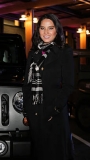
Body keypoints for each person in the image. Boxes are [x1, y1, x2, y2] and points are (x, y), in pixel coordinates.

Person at [22, 14, 75, 160]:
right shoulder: (33, 53)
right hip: (36, 113)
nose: (46, 32)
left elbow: (69, 85)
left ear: (56, 31)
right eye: (42, 28)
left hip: (54, 114)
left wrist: (55, 110)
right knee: (39, 153)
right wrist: (27, 112)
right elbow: (27, 84)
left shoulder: (64, 52)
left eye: (50, 28)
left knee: (55, 153)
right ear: (38, 31)